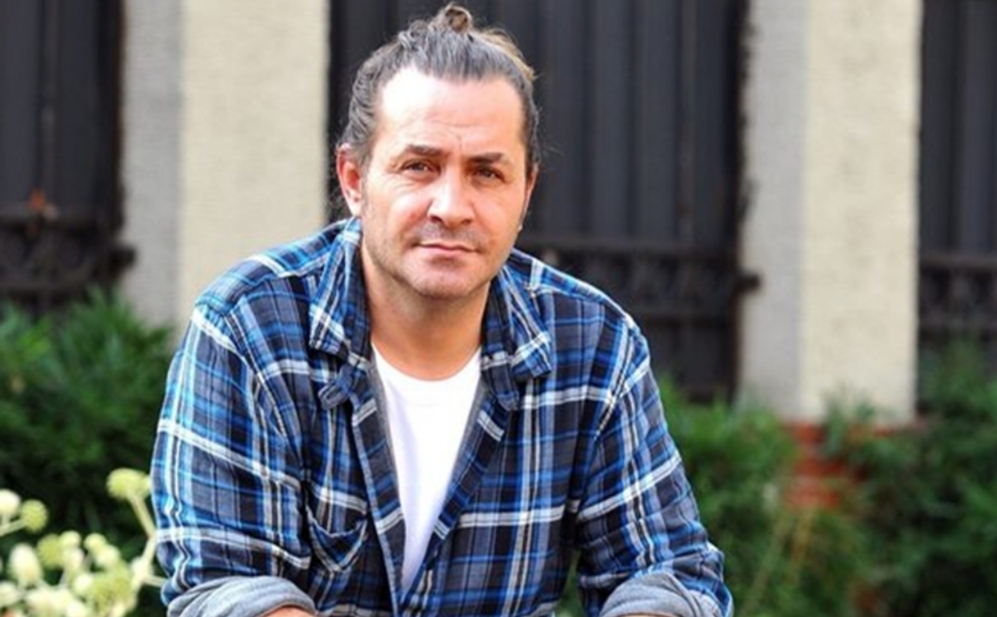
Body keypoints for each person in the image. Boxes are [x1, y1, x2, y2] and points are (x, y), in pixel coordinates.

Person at [150, 4, 732, 617]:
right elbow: (230, 586)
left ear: (526, 192)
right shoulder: (250, 329)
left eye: (487, 173)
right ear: (354, 179)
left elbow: (666, 572)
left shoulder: (593, 347)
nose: (451, 207)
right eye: (419, 166)